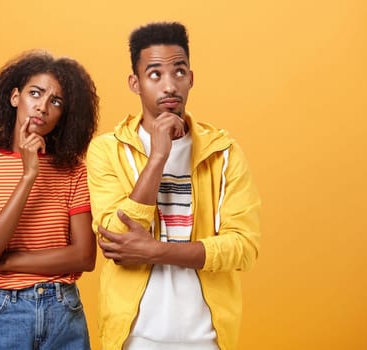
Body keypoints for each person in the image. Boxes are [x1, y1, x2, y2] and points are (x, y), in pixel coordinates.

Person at [87, 22, 261, 350]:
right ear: (135, 83)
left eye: (179, 72)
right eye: (155, 75)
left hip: (208, 338)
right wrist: (158, 158)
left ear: (191, 78)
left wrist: (155, 251)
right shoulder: (106, 149)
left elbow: (243, 247)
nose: (169, 85)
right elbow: (115, 239)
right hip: (135, 337)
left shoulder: (224, 152)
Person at [0, 50, 99, 349]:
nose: (43, 107)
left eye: (56, 101)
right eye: (35, 93)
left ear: (64, 115)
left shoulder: (74, 171)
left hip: (63, 312)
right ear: (14, 97)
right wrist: (28, 174)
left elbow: (85, 257)